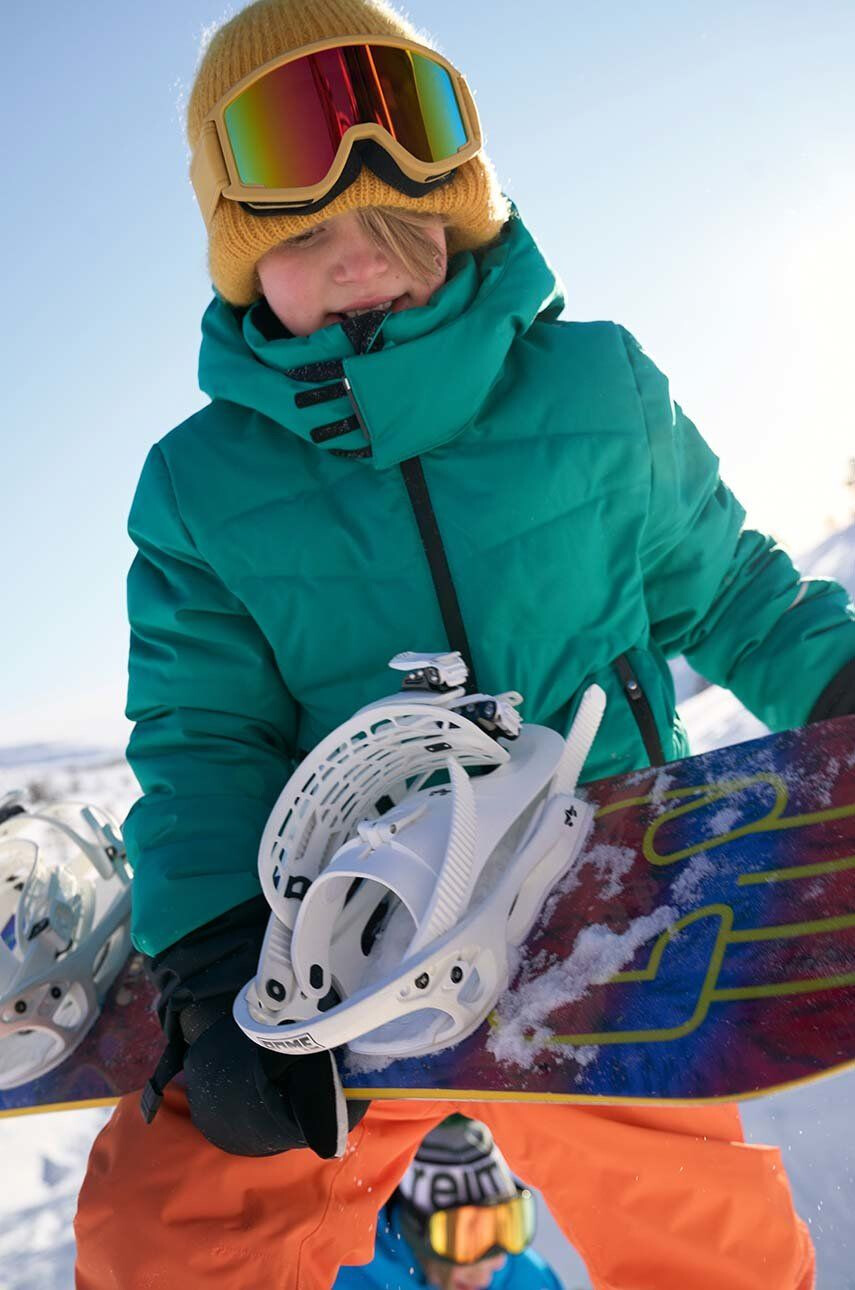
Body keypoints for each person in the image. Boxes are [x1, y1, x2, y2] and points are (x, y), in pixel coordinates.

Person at [73, 0, 855, 1286]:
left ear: (465, 203)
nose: (361, 256)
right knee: (170, 1231)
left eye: (394, 220)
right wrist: (215, 966)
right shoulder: (199, 490)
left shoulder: (599, 394)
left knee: (709, 1244)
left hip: (601, 908)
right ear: (234, 246)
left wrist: (838, 689)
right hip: (344, 938)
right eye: (310, 231)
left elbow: (733, 598)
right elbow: (205, 737)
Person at [334, 1116, 564, 1289]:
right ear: (419, 1230)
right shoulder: (339, 1272)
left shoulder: (529, 1280)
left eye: (510, 1224)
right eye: (469, 1233)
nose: (498, 1262)